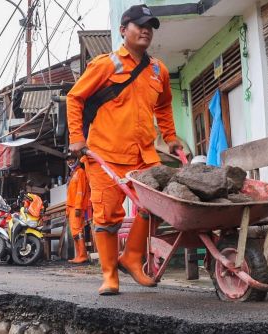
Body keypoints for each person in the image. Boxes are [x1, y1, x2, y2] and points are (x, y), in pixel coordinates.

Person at [66, 5, 182, 295]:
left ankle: (131, 258)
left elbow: (165, 105)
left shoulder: (158, 70)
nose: (145, 30)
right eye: (138, 24)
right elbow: (74, 98)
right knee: (107, 217)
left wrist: (171, 137)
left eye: (150, 26)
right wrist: (77, 138)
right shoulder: (107, 65)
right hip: (106, 154)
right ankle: (109, 276)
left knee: (151, 208)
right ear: (123, 30)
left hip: (145, 155)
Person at [65, 154, 90, 264]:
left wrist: (79, 207)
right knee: (75, 232)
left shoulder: (80, 172)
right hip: (71, 206)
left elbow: (81, 191)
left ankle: (82, 255)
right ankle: (79, 255)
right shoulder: (73, 174)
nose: (70, 162)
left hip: (76, 206)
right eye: (68, 160)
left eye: (72, 159)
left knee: (78, 231)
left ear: (76, 160)